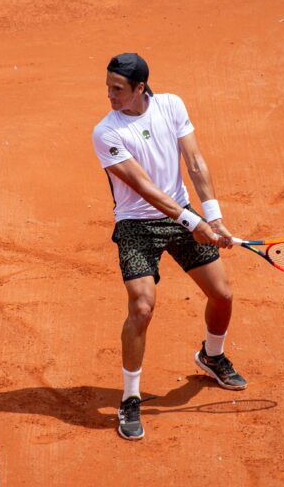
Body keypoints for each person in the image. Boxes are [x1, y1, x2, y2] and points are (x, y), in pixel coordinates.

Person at [92, 53, 247, 441]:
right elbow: (145, 188)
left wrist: (212, 217)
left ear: (140, 88)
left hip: (183, 215)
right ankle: (130, 398)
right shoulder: (106, 132)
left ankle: (211, 355)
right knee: (142, 307)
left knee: (223, 295)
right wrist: (193, 223)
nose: (109, 95)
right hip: (137, 225)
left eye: (118, 89)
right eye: (108, 86)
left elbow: (194, 161)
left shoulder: (171, 106)